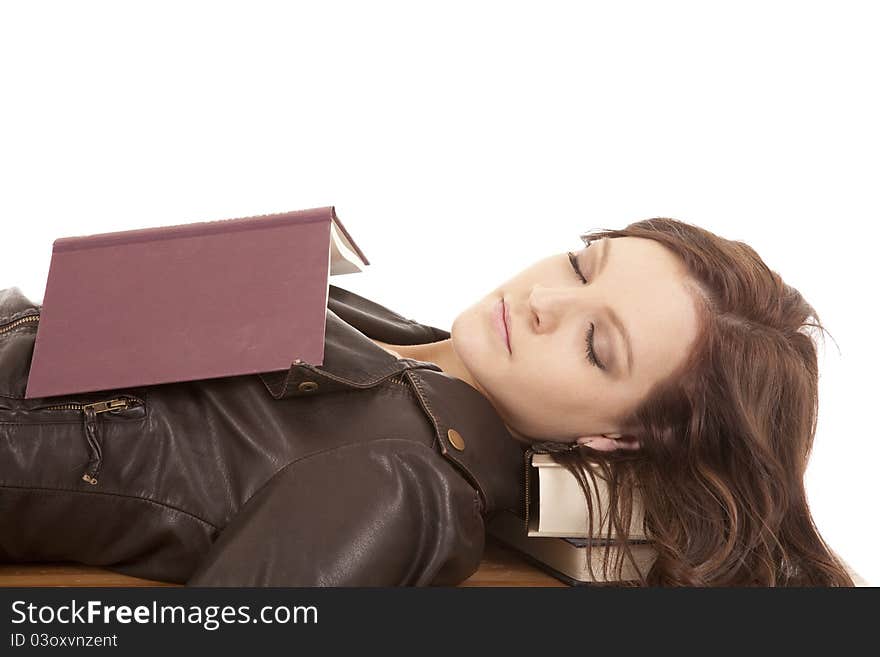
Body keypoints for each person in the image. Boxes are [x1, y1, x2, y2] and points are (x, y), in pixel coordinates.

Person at [0, 216, 855, 587]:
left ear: (614, 439)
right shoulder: (395, 335)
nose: (546, 303)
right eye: (581, 265)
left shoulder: (416, 487)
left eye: (597, 345)